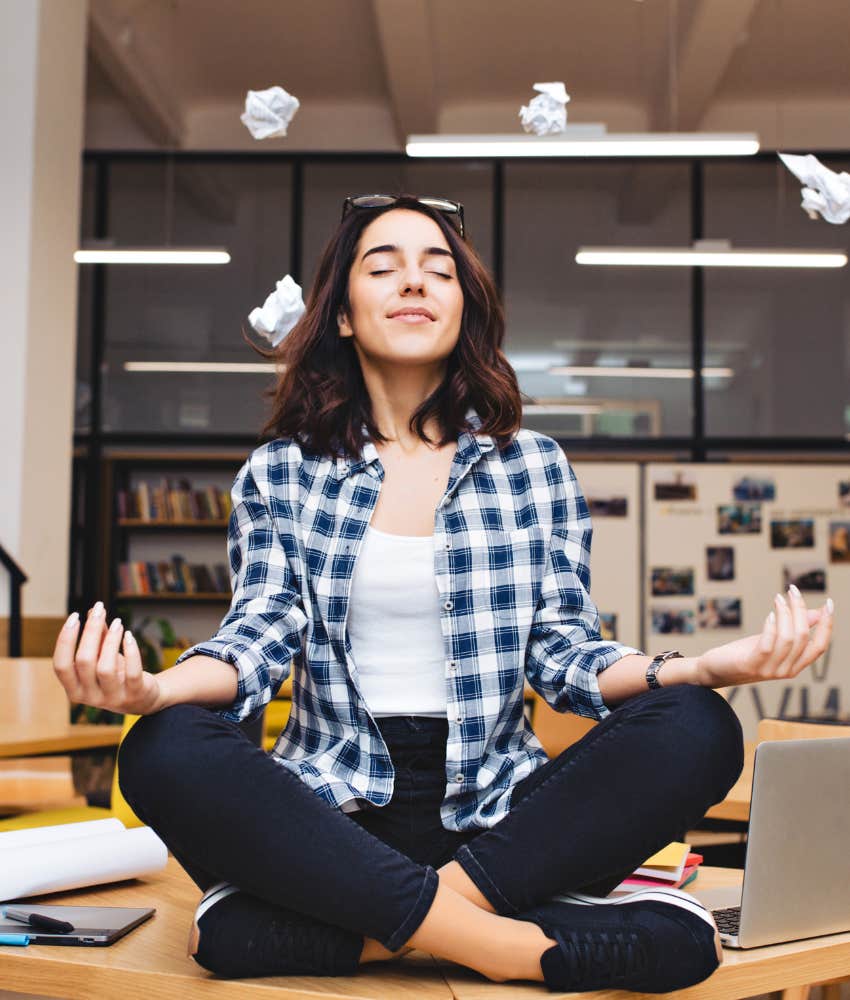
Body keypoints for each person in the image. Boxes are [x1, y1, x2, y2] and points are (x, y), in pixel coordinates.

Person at [53, 193, 834, 993]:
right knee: (161, 745)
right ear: (346, 316)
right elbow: (256, 639)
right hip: (330, 818)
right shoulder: (282, 472)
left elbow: (566, 652)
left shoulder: (532, 467)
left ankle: (374, 927)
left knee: (698, 726)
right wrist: (151, 689)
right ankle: (508, 947)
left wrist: (698, 669)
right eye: (383, 266)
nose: (414, 283)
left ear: (466, 308)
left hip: (502, 816)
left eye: (439, 270)